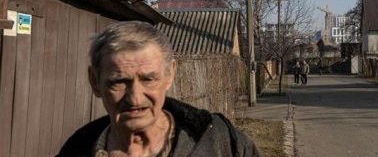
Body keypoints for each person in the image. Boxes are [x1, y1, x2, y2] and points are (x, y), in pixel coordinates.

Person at [57, 21, 259, 157]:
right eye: (119, 82)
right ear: (95, 81)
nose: (135, 99)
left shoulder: (221, 143)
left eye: (148, 79)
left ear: (170, 74)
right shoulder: (76, 149)